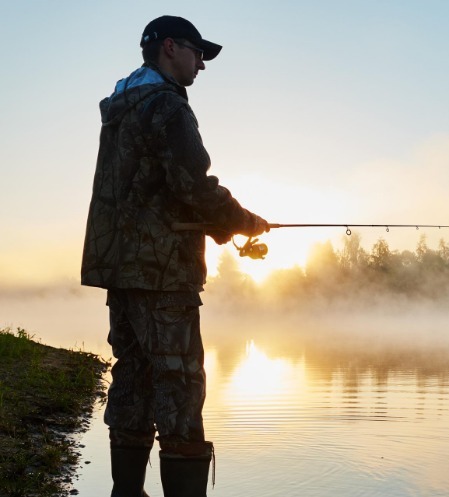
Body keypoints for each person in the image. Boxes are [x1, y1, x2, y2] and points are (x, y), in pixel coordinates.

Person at [81, 15, 269, 497]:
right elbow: (193, 186)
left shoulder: (122, 107)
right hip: (164, 271)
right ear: (170, 47)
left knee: (134, 374)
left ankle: (126, 491)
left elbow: (152, 191)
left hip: (120, 268)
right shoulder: (166, 106)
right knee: (180, 383)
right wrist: (242, 221)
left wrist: (217, 226)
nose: (202, 64)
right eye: (197, 52)